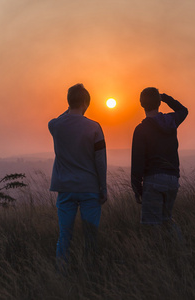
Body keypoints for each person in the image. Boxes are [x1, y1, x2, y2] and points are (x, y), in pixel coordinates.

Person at [48, 83, 107, 271]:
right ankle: (90, 272)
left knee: (65, 234)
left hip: (65, 188)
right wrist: (103, 187)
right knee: (90, 235)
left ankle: (62, 273)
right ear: (85, 103)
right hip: (89, 188)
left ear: (69, 102)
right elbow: (101, 161)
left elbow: (60, 119)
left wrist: (70, 109)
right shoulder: (95, 127)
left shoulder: (55, 125)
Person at [131, 87, 188, 239]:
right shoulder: (171, 121)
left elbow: (137, 161)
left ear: (141, 104)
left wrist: (137, 189)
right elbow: (183, 110)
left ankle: (157, 256)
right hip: (172, 179)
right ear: (159, 103)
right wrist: (165, 97)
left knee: (152, 226)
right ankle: (178, 249)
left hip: (153, 180)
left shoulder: (141, 129)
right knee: (166, 220)